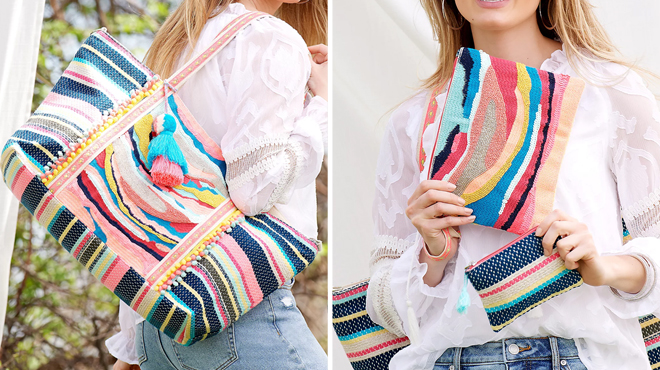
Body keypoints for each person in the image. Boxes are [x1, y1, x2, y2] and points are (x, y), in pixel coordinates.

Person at [367, 0, 660, 369]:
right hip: (451, 359)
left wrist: (604, 266)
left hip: (579, 355)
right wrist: (432, 253)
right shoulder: (414, 120)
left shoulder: (608, 92)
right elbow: (383, 310)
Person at [109, 0, 328, 369]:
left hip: (160, 327)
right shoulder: (269, 38)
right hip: (238, 314)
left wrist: (132, 349)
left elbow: (157, 212)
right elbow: (254, 188)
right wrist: (323, 105)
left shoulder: (178, 42)